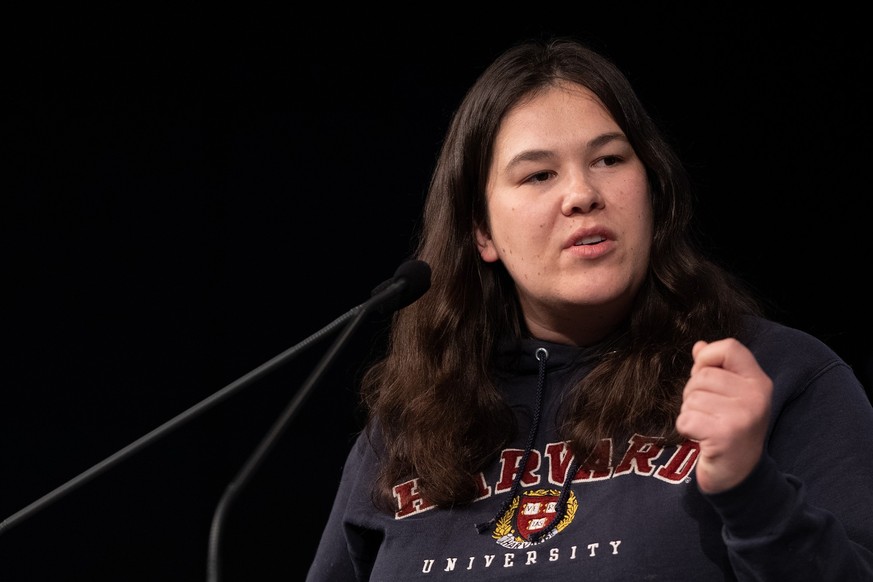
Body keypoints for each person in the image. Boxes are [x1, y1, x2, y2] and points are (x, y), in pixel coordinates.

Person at [305, 36, 873, 581]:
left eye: (608, 159)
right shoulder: (407, 430)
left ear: (651, 187)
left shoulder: (778, 376)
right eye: (539, 174)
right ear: (482, 232)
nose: (581, 193)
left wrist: (753, 492)